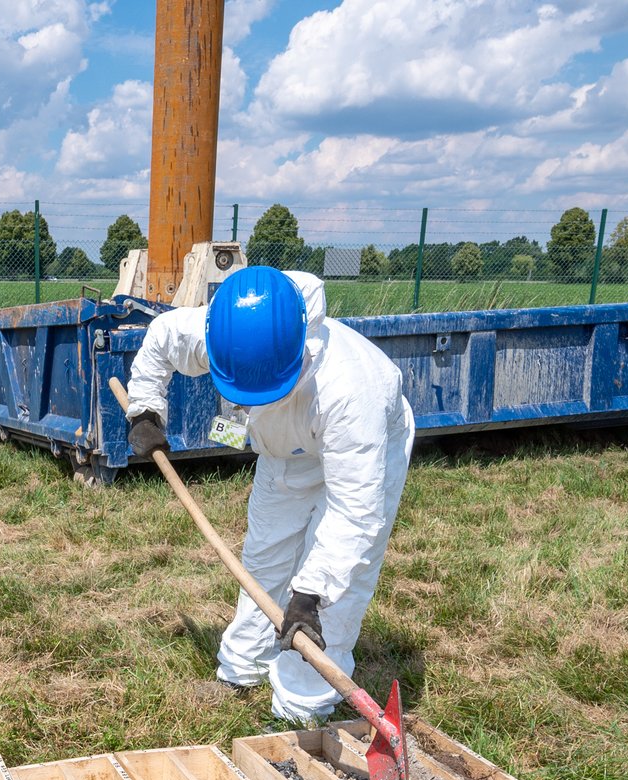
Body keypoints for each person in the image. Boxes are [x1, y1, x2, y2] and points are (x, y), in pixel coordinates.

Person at [123, 265, 414, 724]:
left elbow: (355, 511)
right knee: (264, 558)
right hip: (285, 451)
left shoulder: (351, 392)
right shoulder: (224, 328)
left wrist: (311, 594)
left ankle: (302, 706)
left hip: (357, 449)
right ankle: (243, 668)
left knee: (333, 596)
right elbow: (160, 339)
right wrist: (145, 409)